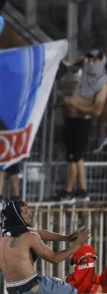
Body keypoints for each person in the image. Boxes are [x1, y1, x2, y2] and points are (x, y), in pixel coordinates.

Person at [53, 49, 107, 204]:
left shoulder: (102, 84)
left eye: (93, 60)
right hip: (71, 121)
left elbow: (96, 110)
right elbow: (72, 63)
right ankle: (82, 190)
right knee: (77, 158)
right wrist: (80, 58)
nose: (88, 62)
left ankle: (67, 191)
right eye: (88, 59)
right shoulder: (85, 76)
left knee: (72, 158)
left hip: (81, 122)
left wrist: (74, 103)